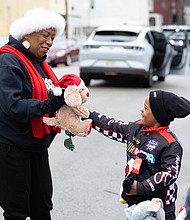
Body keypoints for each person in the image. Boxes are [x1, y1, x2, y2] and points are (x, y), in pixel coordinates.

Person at [0, 8, 66, 220]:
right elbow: (13, 106)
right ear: (27, 34)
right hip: (12, 147)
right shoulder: (9, 61)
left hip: (36, 146)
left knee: (42, 206)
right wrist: (47, 105)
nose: (49, 42)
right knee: (17, 211)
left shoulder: (40, 64)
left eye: (53, 38)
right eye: (45, 36)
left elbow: (52, 94)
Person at [87, 90, 190, 220]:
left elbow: (169, 174)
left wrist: (140, 187)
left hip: (159, 207)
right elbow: (113, 126)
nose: (141, 110)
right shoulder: (136, 128)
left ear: (158, 115)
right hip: (135, 202)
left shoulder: (170, 143)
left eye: (146, 108)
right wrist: (89, 116)